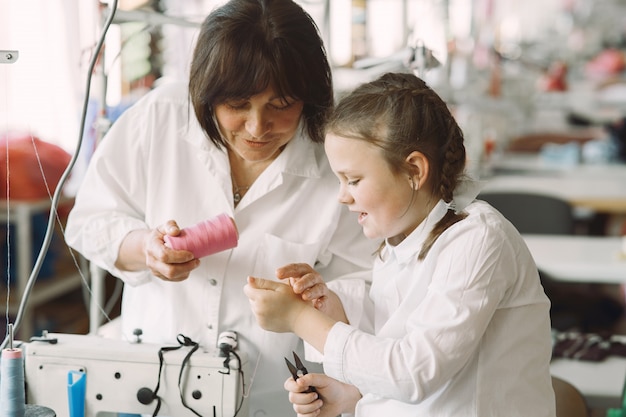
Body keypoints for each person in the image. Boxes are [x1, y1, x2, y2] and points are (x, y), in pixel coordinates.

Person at [64, 1, 376, 415]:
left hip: (271, 399)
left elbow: (373, 283)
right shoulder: (160, 118)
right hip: (155, 389)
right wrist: (146, 249)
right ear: (207, 93)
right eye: (237, 104)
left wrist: (320, 298)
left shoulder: (335, 161)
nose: (256, 128)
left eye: (281, 105)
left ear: (309, 98)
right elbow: (89, 220)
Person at [244, 72, 557, 416]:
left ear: (414, 170)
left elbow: (414, 372)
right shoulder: (399, 242)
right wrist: (355, 395)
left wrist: (301, 319)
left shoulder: (478, 238)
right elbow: (397, 345)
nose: (342, 197)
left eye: (354, 180)